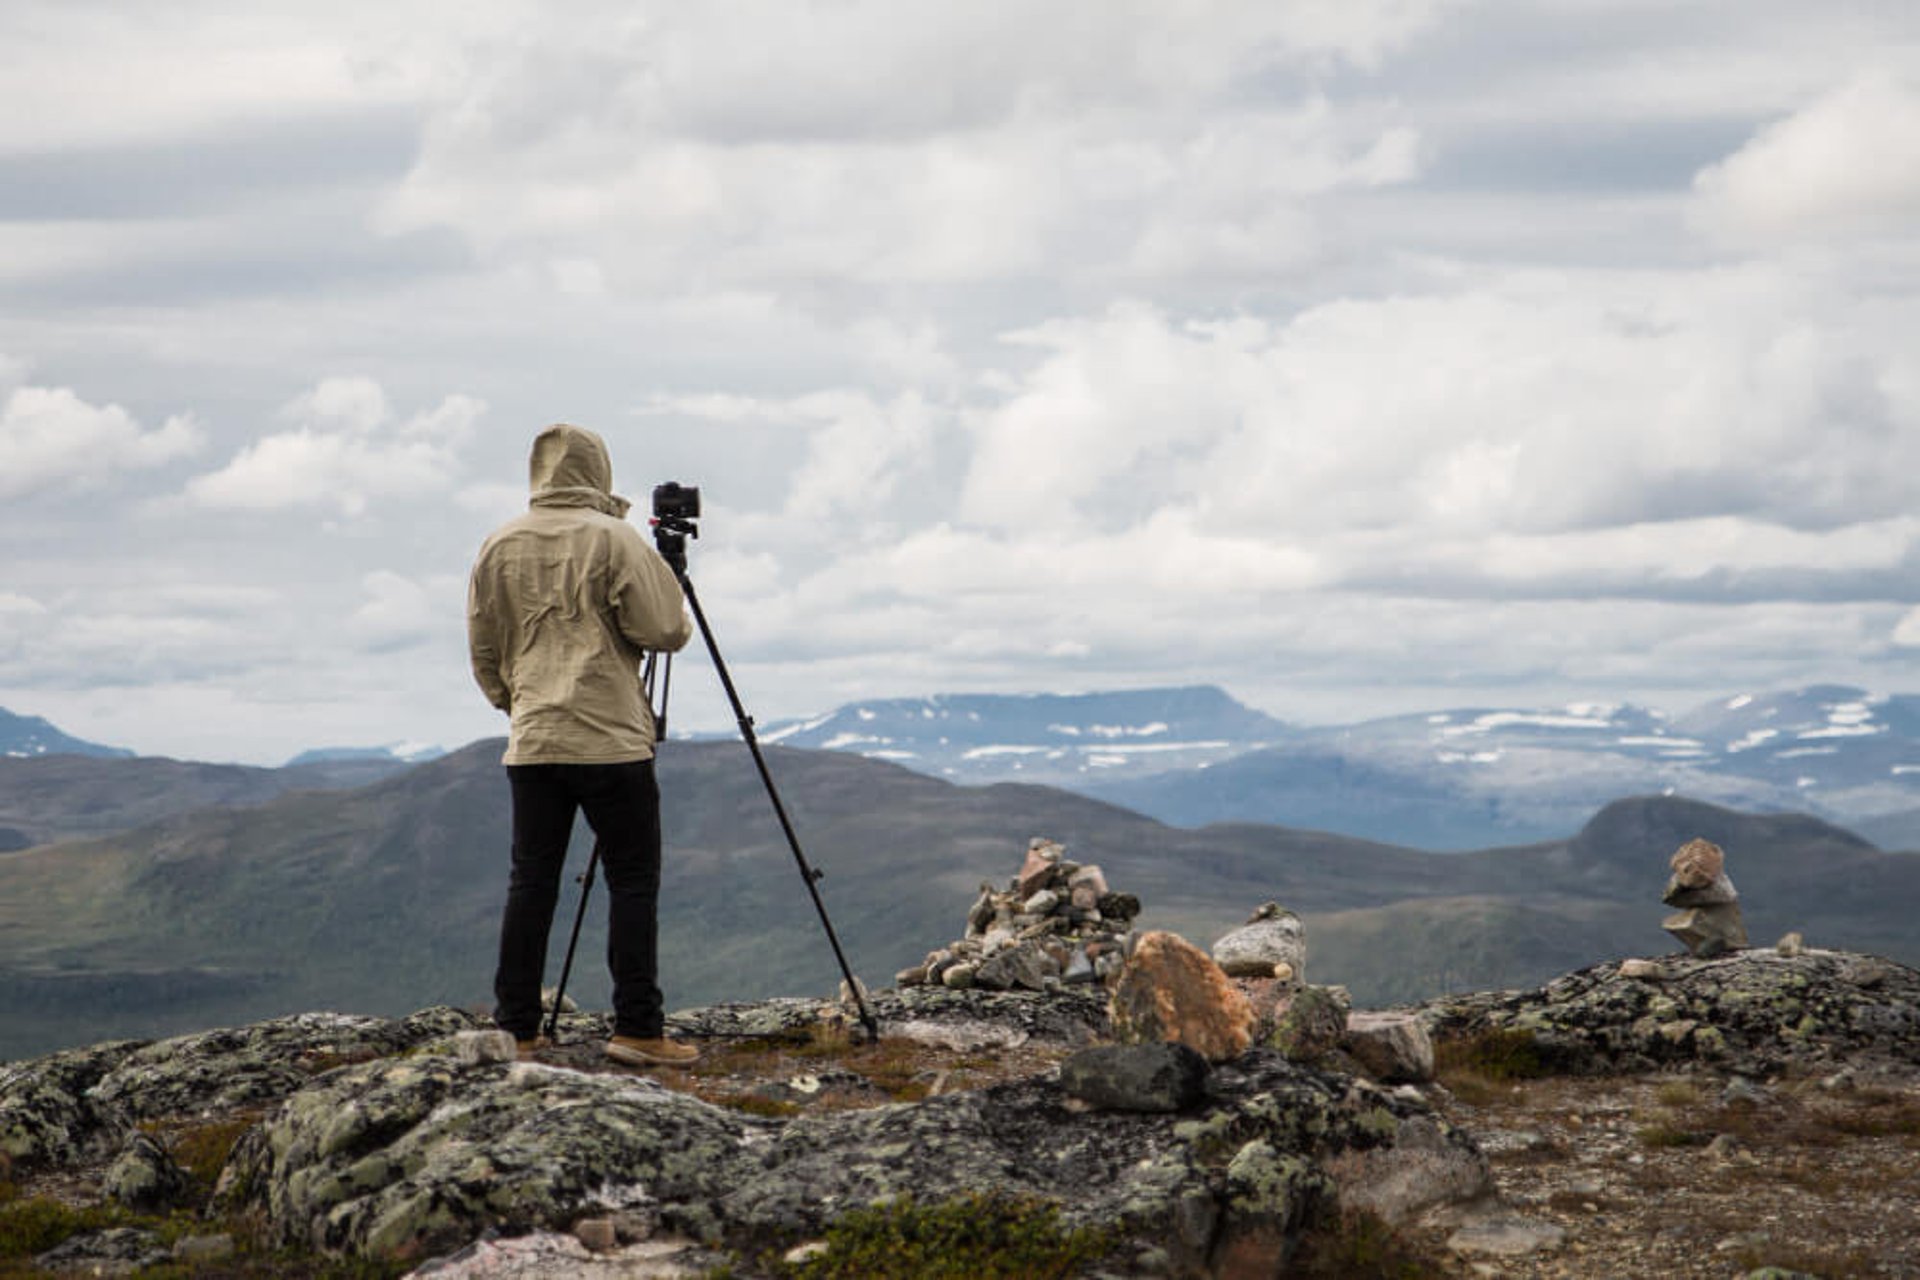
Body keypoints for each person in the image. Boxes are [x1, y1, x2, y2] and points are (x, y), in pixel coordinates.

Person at [466, 423, 698, 1066]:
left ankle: (516, 1027)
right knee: (631, 881)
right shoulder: (614, 538)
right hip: (611, 742)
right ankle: (638, 1030)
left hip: (535, 738)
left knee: (530, 881)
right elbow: (663, 632)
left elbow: (484, 647)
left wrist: (516, 704)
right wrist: (670, 582)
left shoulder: (499, 543)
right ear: (598, 470)